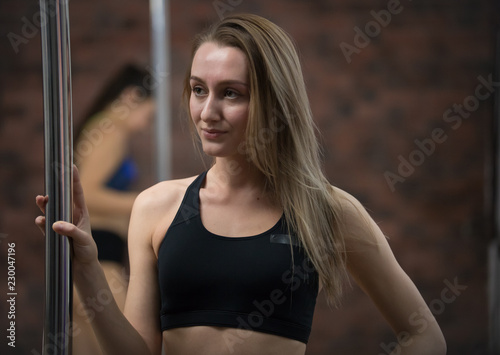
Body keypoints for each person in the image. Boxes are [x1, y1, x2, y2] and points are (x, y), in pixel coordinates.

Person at [36, 14, 446, 355]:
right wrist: (87, 270)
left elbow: (424, 334)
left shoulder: (328, 211)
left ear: (274, 101)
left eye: (231, 94)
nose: (207, 112)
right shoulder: (156, 206)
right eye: (198, 90)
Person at [71, 65, 155, 354]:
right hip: (102, 265)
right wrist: (147, 201)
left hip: (94, 262)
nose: (146, 124)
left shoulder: (100, 127)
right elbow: (88, 195)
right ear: (132, 96)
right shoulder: (111, 131)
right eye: (148, 114)